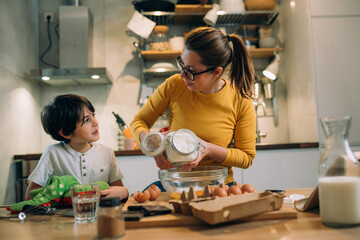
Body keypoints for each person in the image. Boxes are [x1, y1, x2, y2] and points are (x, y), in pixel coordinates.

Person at [130, 26, 257, 187]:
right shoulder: (174, 85)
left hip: (218, 186)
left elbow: (246, 158)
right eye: (182, 64)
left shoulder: (240, 100)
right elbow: (139, 121)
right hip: (177, 183)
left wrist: (208, 149)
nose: (182, 75)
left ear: (216, 72)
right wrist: (152, 145)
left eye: (191, 71)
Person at [25, 94, 128, 200]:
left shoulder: (107, 153)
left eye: (93, 115)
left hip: (100, 214)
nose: (95, 122)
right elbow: (30, 195)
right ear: (65, 132)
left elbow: (119, 190)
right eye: (87, 120)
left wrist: (124, 192)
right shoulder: (52, 153)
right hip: (63, 216)